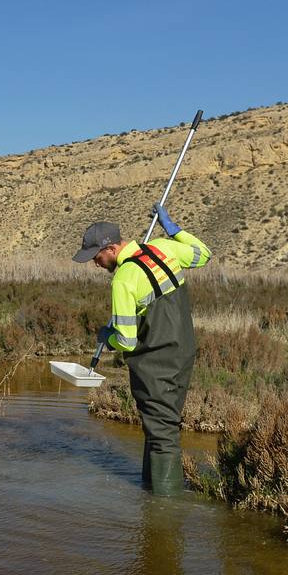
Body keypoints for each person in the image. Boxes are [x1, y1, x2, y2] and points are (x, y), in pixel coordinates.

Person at [73, 206, 211, 495]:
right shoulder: (163, 249)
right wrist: (174, 230)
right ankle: (150, 492)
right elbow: (203, 253)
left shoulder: (123, 279)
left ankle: (164, 513)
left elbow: (127, 341)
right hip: (183, 352)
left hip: (155, 362)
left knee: (162, 435)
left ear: (111, 248)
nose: (96, 264)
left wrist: (107, 336)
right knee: (160, 426)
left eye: (97, 257)